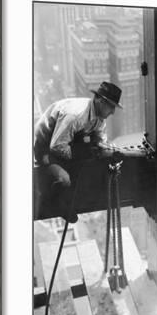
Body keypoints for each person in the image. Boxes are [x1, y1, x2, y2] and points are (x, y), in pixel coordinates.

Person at [34, 81, 123, 222]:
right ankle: (56, 203)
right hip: (45, 149)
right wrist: (83, 153)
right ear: (99, 100)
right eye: (111, 107)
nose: (112, 112)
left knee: (88, 162)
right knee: (65, 179)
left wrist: (106, 149)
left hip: (65, 144)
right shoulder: (76, 115)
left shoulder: (99, 117)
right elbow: (57, 147)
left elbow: (100, 139)